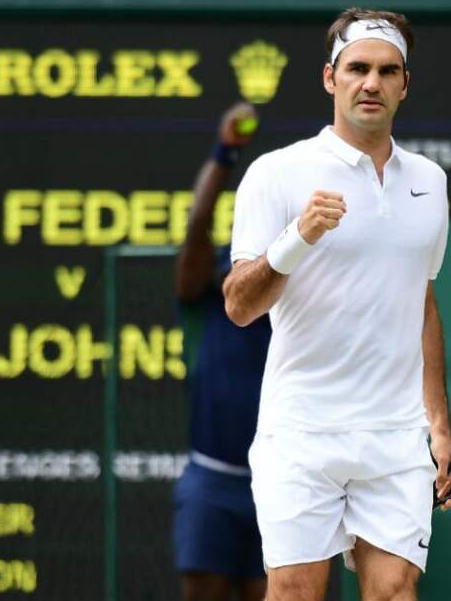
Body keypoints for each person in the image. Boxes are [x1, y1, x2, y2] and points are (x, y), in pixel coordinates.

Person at [223, 7, 451, 601]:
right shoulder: (276, 173)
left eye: (388, 71)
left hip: (395, 437)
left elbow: (422, 300)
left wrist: (439, 427)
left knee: (393, 592)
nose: (372, 83)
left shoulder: (429, 183)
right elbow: (239, 305)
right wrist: (297, 239)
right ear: (330, 78)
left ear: (404, 84)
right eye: (358, 68)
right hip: (302, 431)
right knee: (295, 594)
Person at [172, 102, 271, 601]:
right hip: (211, 481)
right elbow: (196, 225)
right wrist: (225, 152)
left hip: (278, 483)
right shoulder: (208, 298)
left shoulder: (295, 307)